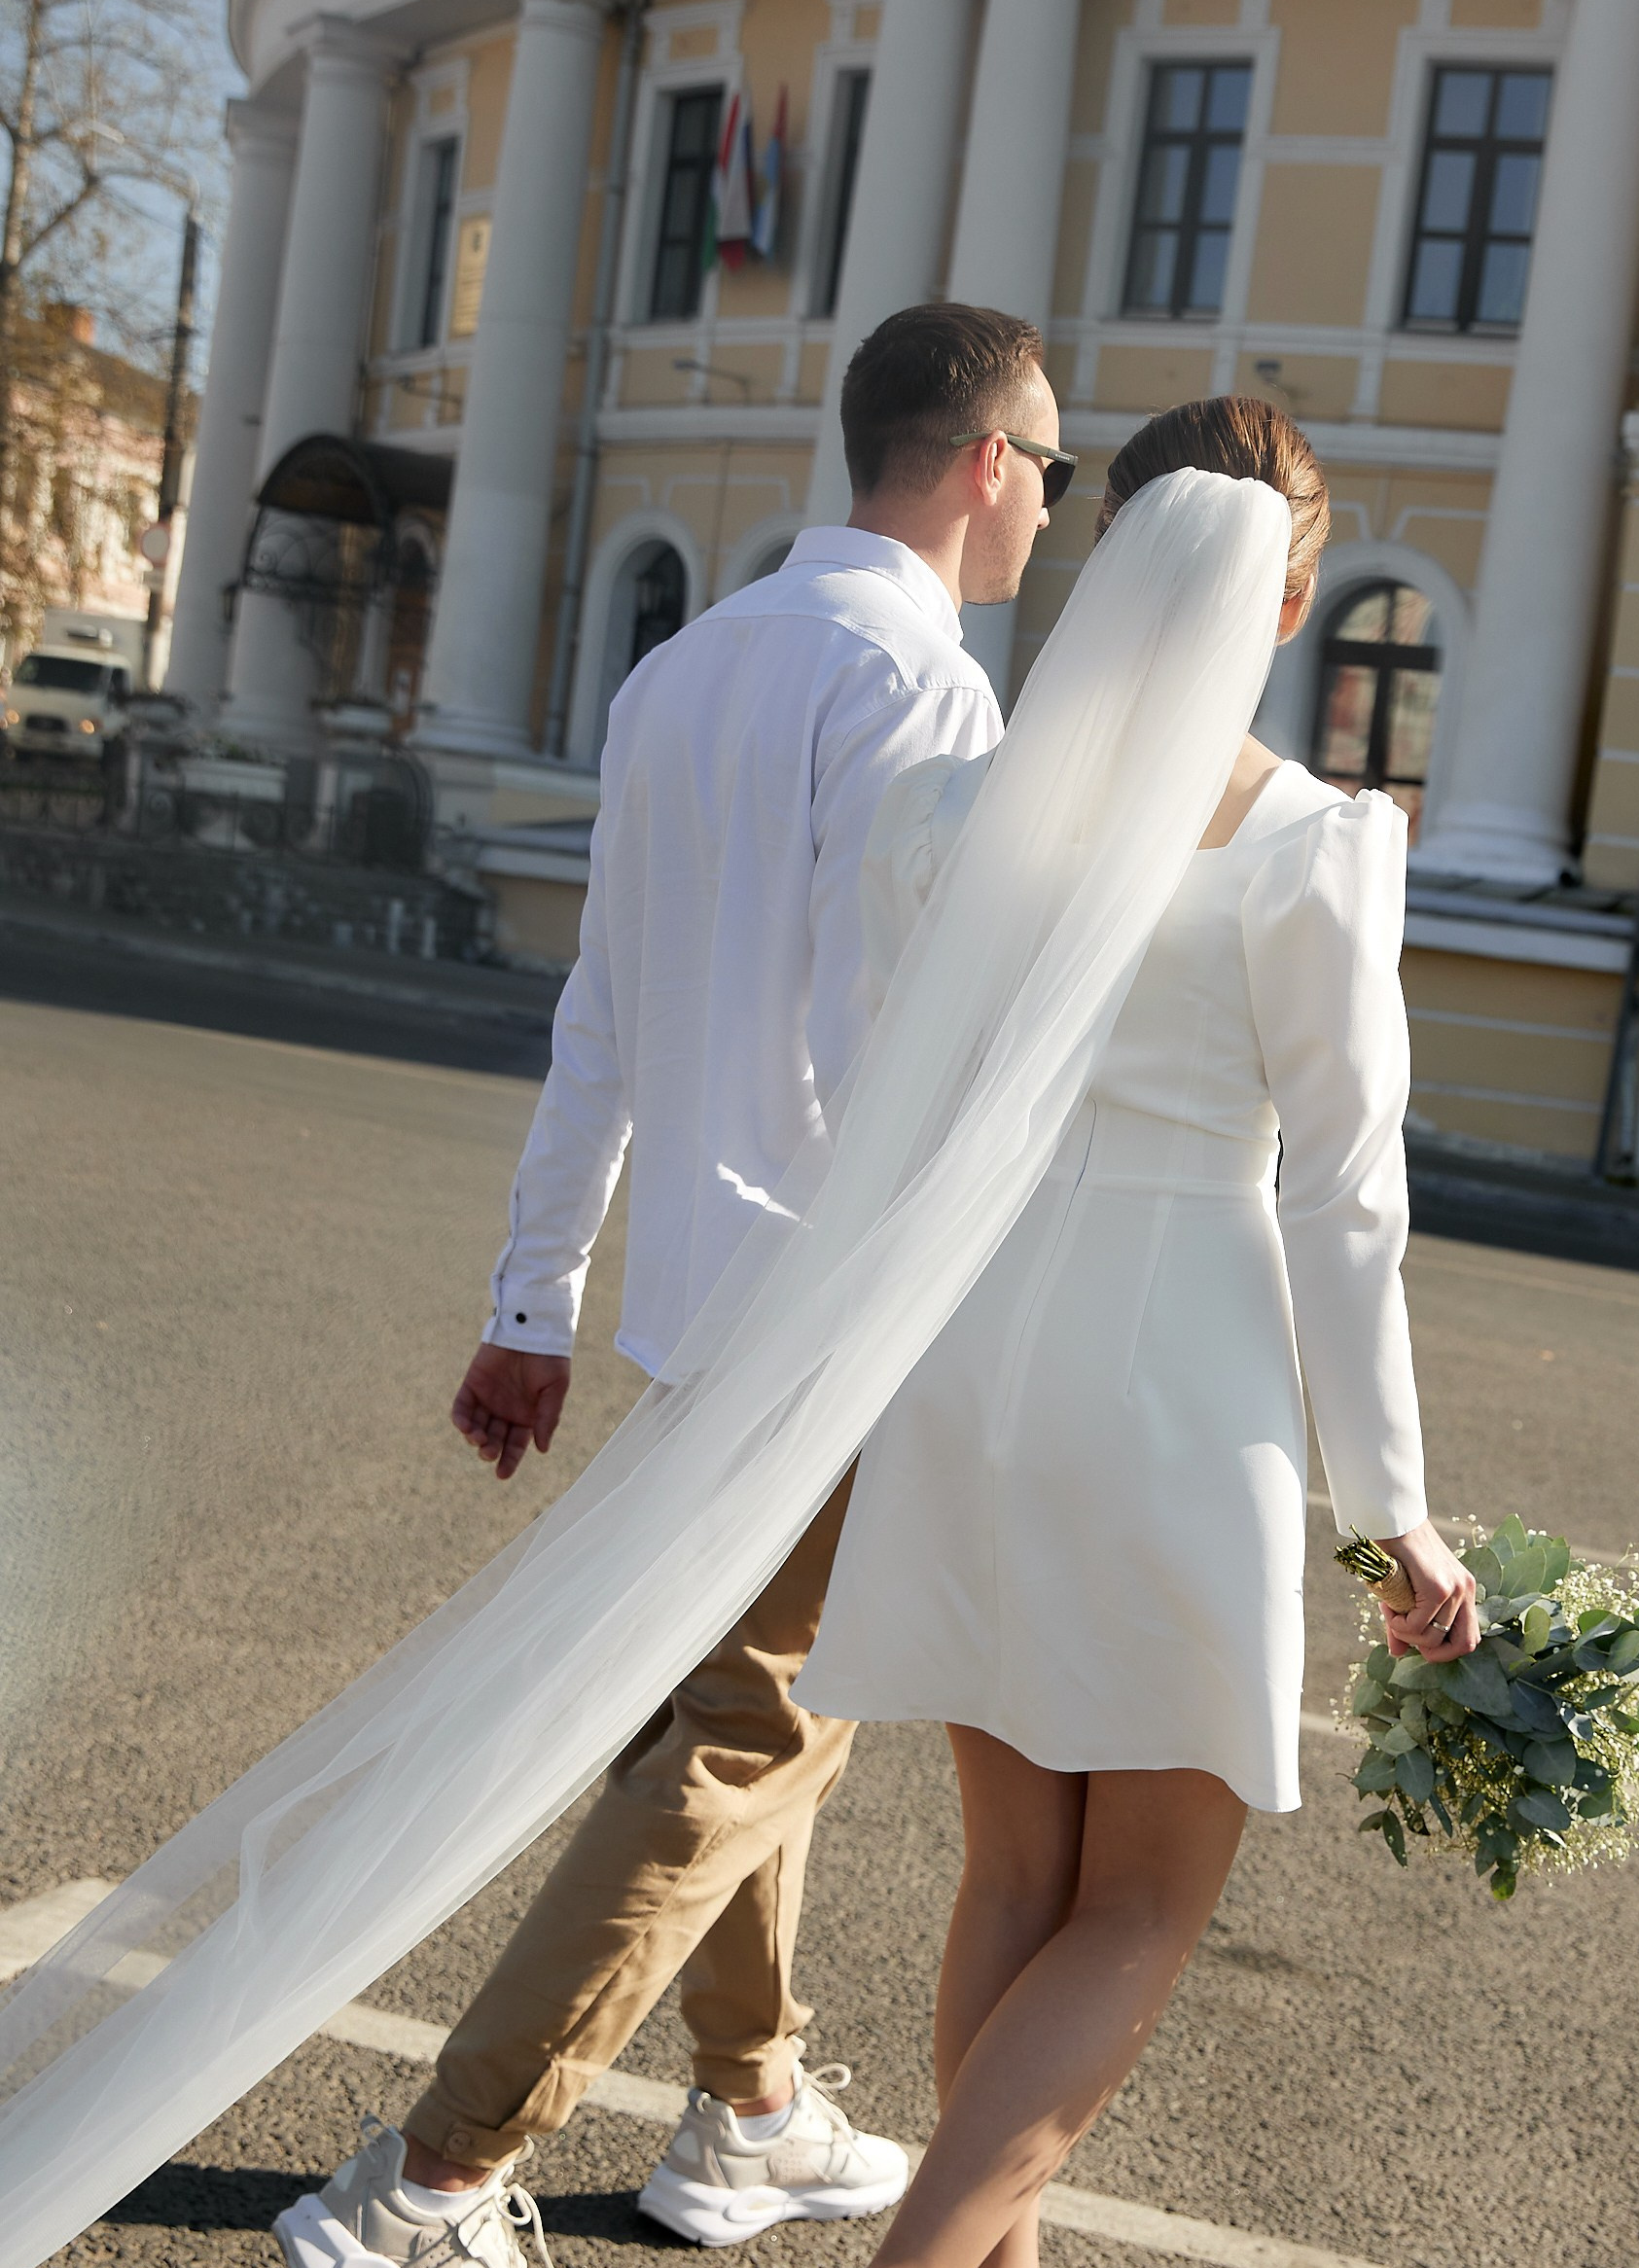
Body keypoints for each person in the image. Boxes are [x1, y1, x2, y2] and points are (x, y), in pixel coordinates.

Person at [273, 302, 1064, 2268]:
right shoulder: (934, 699)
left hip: (701, 1310)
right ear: (983, 463)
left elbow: (600, 1014)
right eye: (1045, 464)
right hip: (844, 1317)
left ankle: (752, 2102)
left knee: (737, 1714)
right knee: (742, 1737)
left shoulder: (683, 671)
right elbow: (934, 1055)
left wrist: (533, 1298)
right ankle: (440, 2170)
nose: (1051, 503)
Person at [790, 398, 1479, 2268]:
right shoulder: (1319, 842)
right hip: (1178, 1369)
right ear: (1284, 604)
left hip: (967, 1350)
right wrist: (1394, 1510)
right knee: (1143, 1910)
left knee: (1018, 1872)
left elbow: (876, 1100)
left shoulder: (943, 810)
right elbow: (1349, 1199)